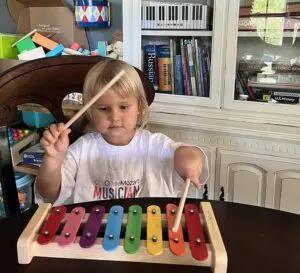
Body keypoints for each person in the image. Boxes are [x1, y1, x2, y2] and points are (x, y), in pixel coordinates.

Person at [35, 58, 209, 206]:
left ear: (139, 107)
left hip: (148, 233)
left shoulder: (154, 145)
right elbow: (48, 194)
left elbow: (187, 153)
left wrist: (189, 158)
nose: (115, 116)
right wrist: (53, 161)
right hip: (93, 235)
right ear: (90, 111)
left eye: (124, 107)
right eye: (103, 109)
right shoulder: (81, 150)